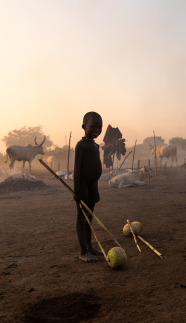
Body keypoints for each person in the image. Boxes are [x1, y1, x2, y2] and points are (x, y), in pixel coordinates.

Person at [73, 111, 103, 262]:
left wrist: (96, 190)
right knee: (81, 218)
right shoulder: (81, 146)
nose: (96, 130)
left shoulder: (96, 145)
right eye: (93, 126)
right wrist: (77, 191)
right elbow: (77, 170)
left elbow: (95, 172)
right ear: (84, 126)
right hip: (83, 187)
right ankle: (83, 251)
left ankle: (89, 246)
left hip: (92, 187)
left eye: (99, 127)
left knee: (89, 217)